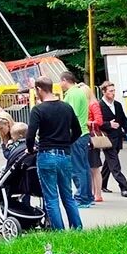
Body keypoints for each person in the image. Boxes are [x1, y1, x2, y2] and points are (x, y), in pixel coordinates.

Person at [27, 76, 83, 231]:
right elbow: (78, 130)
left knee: (51, 198)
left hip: (46, 154)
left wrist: (30, 149)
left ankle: (59, 232)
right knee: (68, 196)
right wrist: (66, 143)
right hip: (65, 155)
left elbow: (30, 135)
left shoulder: (38, 110)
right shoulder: (66, 107)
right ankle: (77, 229)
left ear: (39, 89)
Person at [60, 72, 93, 209]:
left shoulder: (72, 94)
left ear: (64, 80)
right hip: (83, 133)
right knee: (84, 167)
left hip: (76, 135)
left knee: (77, 168)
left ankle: (81, 197)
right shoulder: (79, 92)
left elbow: (71, 114)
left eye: (60, 82)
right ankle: (87, 196)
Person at [96, 81, 127, 197]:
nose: (113, 93)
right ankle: (124, 187)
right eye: (110, 91)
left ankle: (102, 183)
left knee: (109, 162)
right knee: (114, 163)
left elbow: (124, 120)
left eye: (114, 90)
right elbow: (98, 123)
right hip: (106, 139)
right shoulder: (99, 105)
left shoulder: (117, 105)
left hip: (117, 138)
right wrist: (109, 125)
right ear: (104, 92)